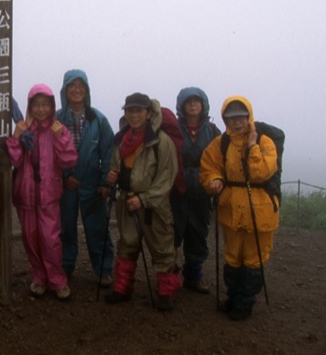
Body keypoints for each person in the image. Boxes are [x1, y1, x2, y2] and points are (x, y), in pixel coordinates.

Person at [200, 96, 278, 320]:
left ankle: (244, 303)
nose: (236, 122)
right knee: (233, 257)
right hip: (231, 208)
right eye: (231, 118)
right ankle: (233, 298)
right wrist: (214, 180)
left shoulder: (265, 142)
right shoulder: (221, 143)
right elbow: (209, 166)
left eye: (241, 117)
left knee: (254, 259)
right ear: (225, 119)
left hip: (260, 209)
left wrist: (252, 145)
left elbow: (260, 172)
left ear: (249, 117)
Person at [104, 93, 181, 310]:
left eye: (139, 111)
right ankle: (122, 288)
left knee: (162, 248)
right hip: (127, 202)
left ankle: (166, 294)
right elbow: (116, 167)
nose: (134, 115)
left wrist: (144, 199)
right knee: (127, 245)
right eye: (130, 111)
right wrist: (112, 177)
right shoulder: (121, 140)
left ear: (149, 113)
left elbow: (166, 178)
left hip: (154, 206)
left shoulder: (161, 142)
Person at [6, 84, 78, 301]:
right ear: (29, 106)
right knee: (30, 238)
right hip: (26, 194)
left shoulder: (58, 129)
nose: (40, 109)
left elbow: (69, 161)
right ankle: (39, 278)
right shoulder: (24, 128)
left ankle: (57, 280)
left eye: (45, 104)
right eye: (36, 105)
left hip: (49, 195)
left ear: (52, 106)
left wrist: (60, 138)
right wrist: (15, 138)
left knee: (51, 239)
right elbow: (16, 160)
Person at [56, 69, 115, 286]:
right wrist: (65, 177)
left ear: (87, 90)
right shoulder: (57, 119)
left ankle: (103, 268)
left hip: (92, 183)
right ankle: (65, 266)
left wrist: (105, 182)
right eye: (72, 85)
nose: (77, 90)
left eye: (81, 86)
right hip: (66, 183)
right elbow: (50, 152)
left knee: (97, 227)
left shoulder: (98, 119)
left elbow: (108, 151)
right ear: (65, 90)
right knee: (65, 227)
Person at [172, 87, 221, 294]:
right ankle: (171, 277)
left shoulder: (212, 131)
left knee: (198, 233)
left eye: (196, 101)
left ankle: (193, 275)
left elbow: (220, 160)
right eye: (188, 101)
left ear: (203, 105)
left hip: (202, 191)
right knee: (173, 232)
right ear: (182, 106)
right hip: (177, 189)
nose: (192, 105)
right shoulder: (173, 128)